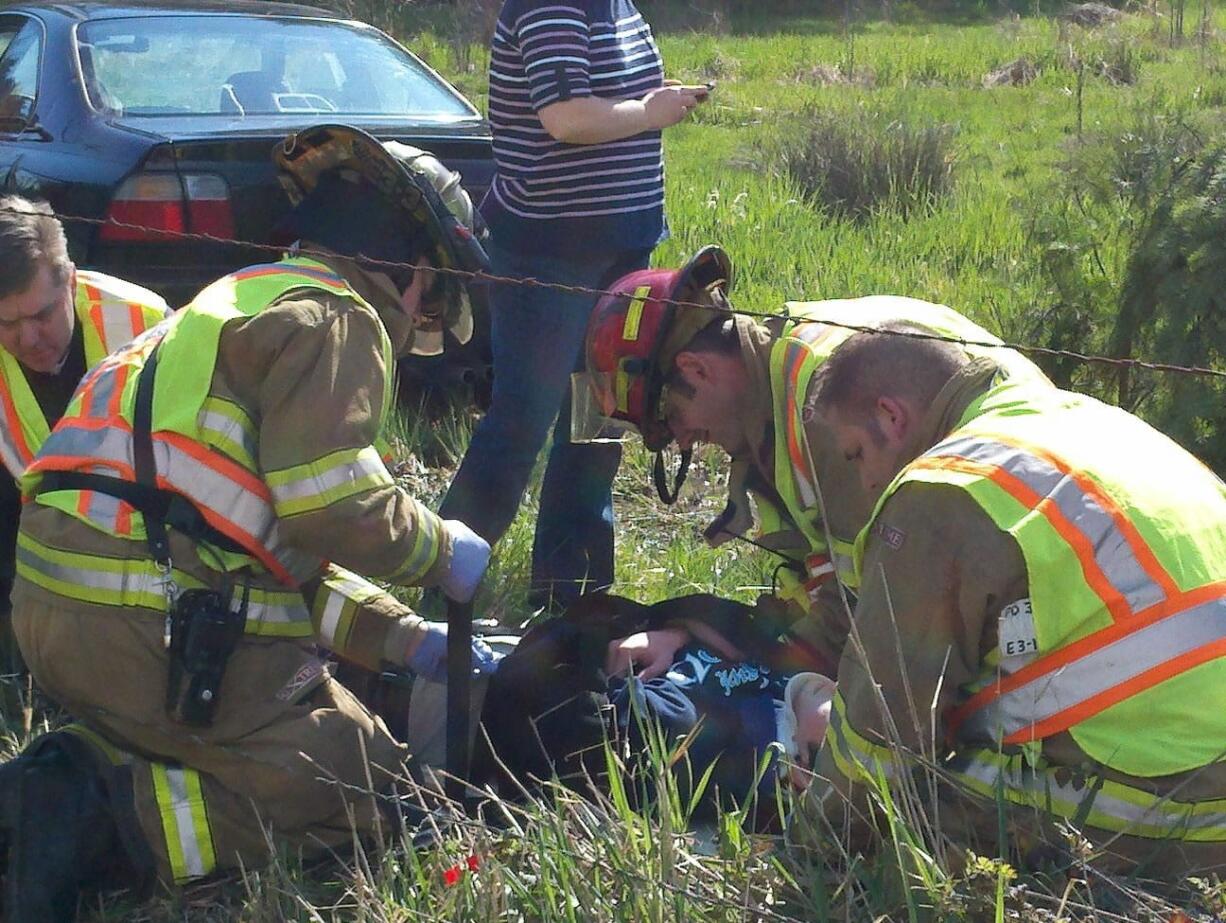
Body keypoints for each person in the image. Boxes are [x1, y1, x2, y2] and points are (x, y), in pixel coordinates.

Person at [0, 124, 498, 920]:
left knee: (294, 728)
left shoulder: (230, 306)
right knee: (363, 784)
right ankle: (111, 812)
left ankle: (101, 757)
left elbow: (273, 560)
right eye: (431, 289)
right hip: (146, 625)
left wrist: (405, 639)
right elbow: (330, 508)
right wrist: (440, 549)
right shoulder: (340, 320)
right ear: (402, 266)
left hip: (58, 619)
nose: (425, 312)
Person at [798, 326, 1226, 876]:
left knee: (915, 796)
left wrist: (807, 850)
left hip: (1195, 809)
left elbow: (881, 733)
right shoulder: (1080, 421)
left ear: (890, 417)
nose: (862, 485)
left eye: (855, 455)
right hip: (1192, 748)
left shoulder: (944, 488)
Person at [579, 246, 1050, 683]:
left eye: (672, 419)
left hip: (1033, 602)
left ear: (697, 370)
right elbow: (828, 581)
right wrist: (691, 634)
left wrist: (757, 666)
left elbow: (865, 612)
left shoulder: (825, 412)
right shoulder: (779, 374)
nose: (682, 439)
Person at [439, 0, 711, 612]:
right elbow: (565, 117)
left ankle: (574, 597)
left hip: (620, 251)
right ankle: (444, 582)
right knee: (523, 421)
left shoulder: (616, 6)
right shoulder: (551, 5)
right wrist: (650, 111)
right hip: (551, 253)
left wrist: (652, 106)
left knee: (598, 421)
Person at [0, 195, 169, 722]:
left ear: (71, 280)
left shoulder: (143, 320)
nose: (29, 338)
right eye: (6, 323)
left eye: (43, 314)